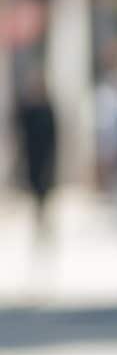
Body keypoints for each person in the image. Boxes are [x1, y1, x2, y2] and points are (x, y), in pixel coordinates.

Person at [13, 66, 57, 240]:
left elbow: (54, 134)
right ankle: (38, 216)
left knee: (43, 188)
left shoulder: (47, 107)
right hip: (31, 155)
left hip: (45, 155)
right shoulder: (27, 108)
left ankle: (42, 216)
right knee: (33, 186)